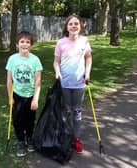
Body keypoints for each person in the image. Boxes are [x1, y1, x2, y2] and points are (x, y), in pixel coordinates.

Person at [53, 14, 92, 154]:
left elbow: (88, 59)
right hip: (64, 83)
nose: (74, 26)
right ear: (67, 27)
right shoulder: (60, 43)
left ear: (81, 26)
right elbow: (56, 61)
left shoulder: (85, 41)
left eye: (76, 23)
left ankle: (76, 138)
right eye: (71, 24)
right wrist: (57, 72)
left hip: (79, 84)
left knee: (76, 111)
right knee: (65, 112)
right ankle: (65, 135)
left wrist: (87, 73)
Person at [5, 31, 43, 157]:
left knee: (30, 120)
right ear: (17, 44)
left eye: (28, 42)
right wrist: (10, 97)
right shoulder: (12, 59)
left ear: (31, 45)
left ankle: (29, 138)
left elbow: (38, 82)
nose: (25, 44)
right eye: (22, 41)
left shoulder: (35, 60)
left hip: (30, 96)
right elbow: (9, 81)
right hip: (17, 95)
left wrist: (35, 99)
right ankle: (21, 140)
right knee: (17, 119)